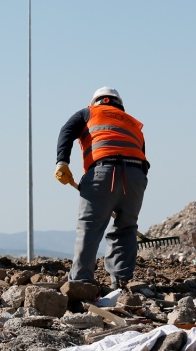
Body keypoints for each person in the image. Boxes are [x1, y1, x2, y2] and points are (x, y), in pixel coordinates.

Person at [55, 86, 149, 289]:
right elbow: (140, 152)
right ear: (119, 104)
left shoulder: (88, 112)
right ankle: (121, 281)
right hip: (136, 176)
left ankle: (81, 282)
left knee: (90, 227)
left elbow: (67, 131)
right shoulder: (132, 122)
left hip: (103, 171)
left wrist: (62, 162)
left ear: (96, 101)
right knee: (126, 227)